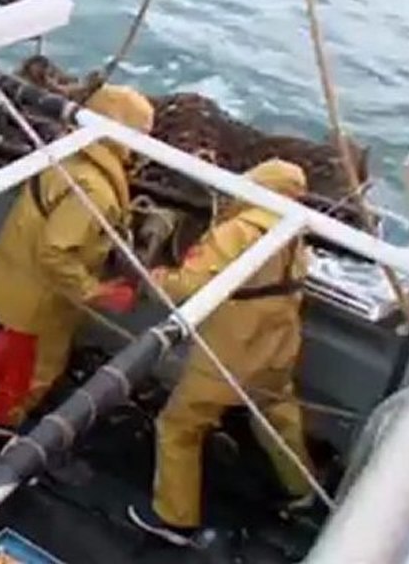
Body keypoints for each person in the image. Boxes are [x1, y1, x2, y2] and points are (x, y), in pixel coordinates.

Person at [127, 158, 316, 546]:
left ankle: (174, 520)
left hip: (230, 356)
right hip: (277, 349)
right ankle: (304, 490)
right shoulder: (295, 235)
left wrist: (153, 277)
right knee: (277, 415)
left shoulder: (237, 231)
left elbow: (187, 285)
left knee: (179, 426)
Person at [0, 84, 156, 439]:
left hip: (19, 275)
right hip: (41, 293)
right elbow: (54, 251)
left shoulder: (71, 153)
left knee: (17, 337)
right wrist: (96, 291)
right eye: (140, 134)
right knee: (33, 369)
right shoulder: (95, 188)